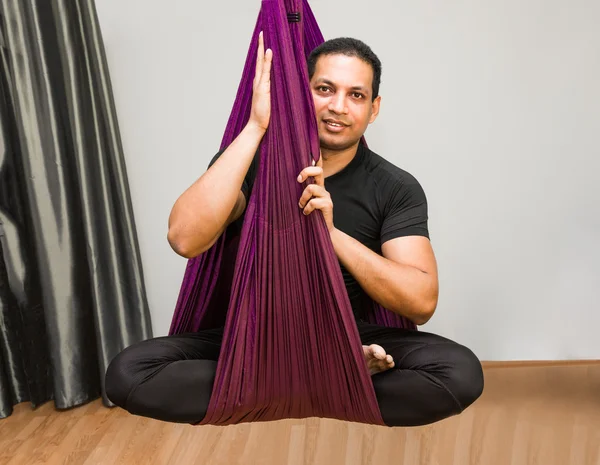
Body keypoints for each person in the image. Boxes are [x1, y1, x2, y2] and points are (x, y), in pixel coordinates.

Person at [105, 35, 484, 427]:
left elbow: (421, 301)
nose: (338, 106)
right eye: (324, 89)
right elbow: (184, 238)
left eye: (356, 95)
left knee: (459, 373)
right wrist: (255, 128)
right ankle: (331, 377)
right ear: (301, 95)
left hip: (346, 334)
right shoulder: (251, 162)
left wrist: (332, 235)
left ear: (374, 109)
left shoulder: (393, 187)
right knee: (128, 373)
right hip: (251, 338)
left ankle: (307, 377)